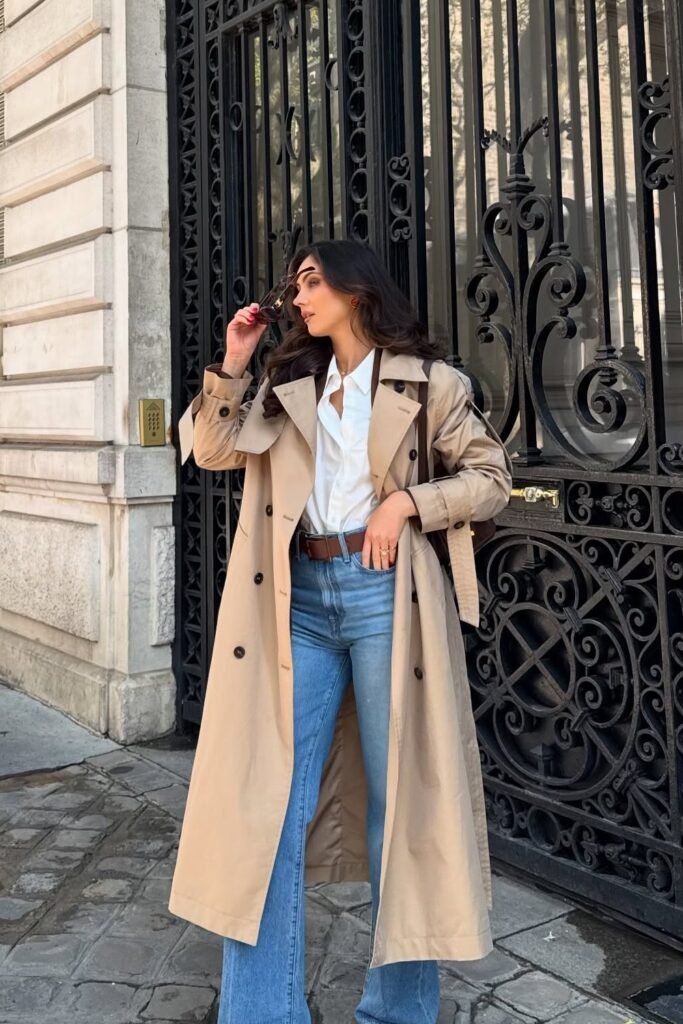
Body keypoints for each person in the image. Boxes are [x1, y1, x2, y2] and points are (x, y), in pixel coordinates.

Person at [169, 238, 513, 1023]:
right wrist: (233, 362)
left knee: (403, 810)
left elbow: (490, 479)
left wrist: (407, 503)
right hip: (296, 599)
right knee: (265, 807)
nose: (298, 297)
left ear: (357, 288)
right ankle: (263, 1012)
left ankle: (396, 1012)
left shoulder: (428, 382)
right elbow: (210, 451)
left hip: (387, 596)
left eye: (312, 281)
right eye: (296, 284)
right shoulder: (289, 381)